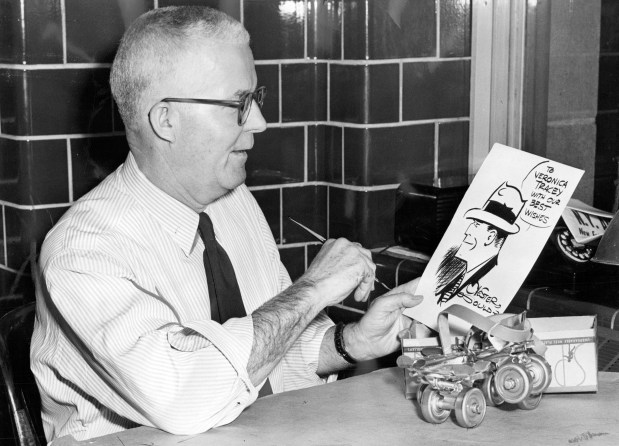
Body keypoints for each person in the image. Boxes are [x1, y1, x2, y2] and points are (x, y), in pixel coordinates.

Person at [30, 6, 423, 442]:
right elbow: (186, 398)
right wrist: (310, 291)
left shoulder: (234, 204)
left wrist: (349, 343)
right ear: (166, 120)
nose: (259, 122)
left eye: (256, 99)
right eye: (239, 103)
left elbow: (262, 360)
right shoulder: (83, 250)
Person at [435, 182, 525, 305]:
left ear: (490, 236)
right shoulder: (454, 265)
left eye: (476, 225)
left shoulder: (499, 278)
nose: (467, 232)